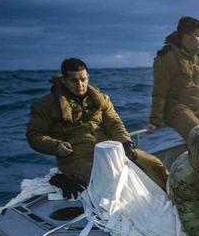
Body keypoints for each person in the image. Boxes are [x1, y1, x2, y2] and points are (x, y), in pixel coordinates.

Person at [27, 58, 169, 193]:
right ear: (64, 80)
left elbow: (114, 123)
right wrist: (56, 146)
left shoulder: (101, 99)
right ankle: (64, 178)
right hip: (75, 157)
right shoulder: (45, 105)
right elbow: (34, 135)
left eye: (83, 79)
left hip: (110, 149)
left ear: (88, 76)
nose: (80, 85)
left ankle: (174, 199)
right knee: (108, 180)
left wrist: (126, 142)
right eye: (74, 81)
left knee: (154, 164)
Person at [147, 16, 199, 140]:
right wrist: (155, 121)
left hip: (197, 106)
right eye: (198, 35)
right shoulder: (167, 58)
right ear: (186, 36)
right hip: (176, 109)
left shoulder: (198, 56)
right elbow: (160, 92)